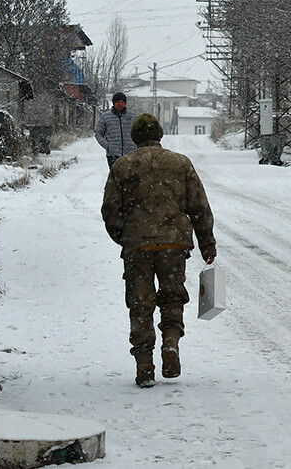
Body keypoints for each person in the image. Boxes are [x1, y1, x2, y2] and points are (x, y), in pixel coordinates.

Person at [101, 113, 217, 388]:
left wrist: (124, 237)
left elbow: (110, 210)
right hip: (173, 245)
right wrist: (207, 243)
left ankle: (144, 365)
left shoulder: (123, 166)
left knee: (141, 305)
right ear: (160, 135)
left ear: (135, 138)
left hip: (138, 246)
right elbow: (199, 206)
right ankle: (171, 342)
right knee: (172, 298)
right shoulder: (180, 163)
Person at [95, 92, 137, 168]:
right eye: (117, 102)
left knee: (131, 178)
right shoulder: (106, 117)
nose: (120, 104)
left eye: (122, 102)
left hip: (131, 154)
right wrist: (108, 146)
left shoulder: (133, 116)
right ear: (114, 103)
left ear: (125, 103)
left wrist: (136, 145)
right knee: (116, 178)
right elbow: (98, 134)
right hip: (113, 155)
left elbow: (139, 132)